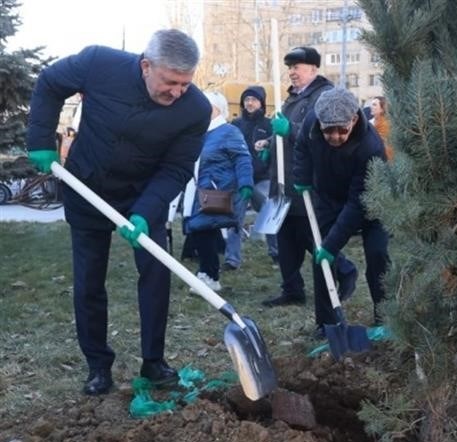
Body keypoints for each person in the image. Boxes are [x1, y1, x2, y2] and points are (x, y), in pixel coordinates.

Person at [26, 29, 211, 396]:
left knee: (156, 275)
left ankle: (154, 361)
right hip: (87, 186)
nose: (177, 92)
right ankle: (98, 366)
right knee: (89, 282)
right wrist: (40, 141)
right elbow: (49, 83)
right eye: (170, 82)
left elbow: (176, 168)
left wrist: (145, 212)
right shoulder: (99, 64)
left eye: (185, 84)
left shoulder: (196, 110)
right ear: (146, 66)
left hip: (143, 196)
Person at [258, 46, 357, 308]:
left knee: (311, 234)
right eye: (289, 67)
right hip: (282, 181)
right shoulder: (290, 99)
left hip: (307, 181)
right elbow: (283, 133)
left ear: (313, 69)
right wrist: (270, 144)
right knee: (286, 236)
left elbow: (320, 132)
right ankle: (292, 289)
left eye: (297, 67)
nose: (291, 72)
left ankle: (344, 270)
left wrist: (289, 129)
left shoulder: (324, 97)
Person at [292, 87, 389, 333]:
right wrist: (301, 176)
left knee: (378, 255)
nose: (335, 136)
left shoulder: (371, 147)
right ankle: (326, 323)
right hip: (328, 195)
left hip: (371, 202)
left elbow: (358, 203)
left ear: (354, 119)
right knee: (321, 259)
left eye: (342, 130)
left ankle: (385, 316)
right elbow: (302, 148)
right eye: (329, 131)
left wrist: (332, 245)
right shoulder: (312, 123)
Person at [183, 91, 254, 291]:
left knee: (202, 229)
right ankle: (206, 272)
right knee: (200, 230)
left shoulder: (228, 131)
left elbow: (242, 158)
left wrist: (246, 183)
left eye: (208, 107)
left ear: (219, 110)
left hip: (217, 192)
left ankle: (210, 276)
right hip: (201, 190)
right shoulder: (203, 132)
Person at [228, 85, 277, 267]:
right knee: (235, 215)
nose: (249, 103)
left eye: (253, 100)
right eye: (247, 99)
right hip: (241, 178)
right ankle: (232, 258)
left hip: (262, 177)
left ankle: (276, 252)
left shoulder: (269, 125)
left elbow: (276, 150)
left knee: (268, 206)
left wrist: (267, 151)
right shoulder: (235, 125)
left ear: (261, 103)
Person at [369, 96, 394, 162]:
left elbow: (382, 142)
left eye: (374, 105)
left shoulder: (386, 124)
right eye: (371, 104)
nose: (371, 106)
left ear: (382, 109)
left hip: (385, 158)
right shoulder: (369, 122)